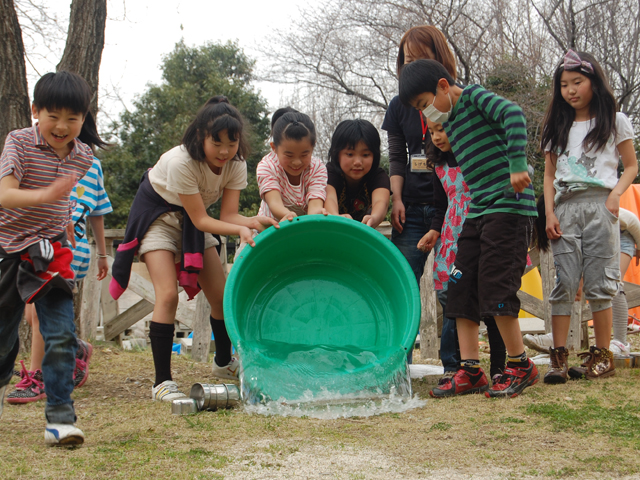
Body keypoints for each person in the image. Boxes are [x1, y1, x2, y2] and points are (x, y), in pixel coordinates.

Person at [109, 96, 278, 402]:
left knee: (221, 295)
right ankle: (162, 382)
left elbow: (227, 216)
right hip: (157, 218)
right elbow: (202, 219)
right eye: (217, 143)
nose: (225, 151)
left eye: (233, 142)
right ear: (201, 136)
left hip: (191, 222)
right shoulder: (181, 162)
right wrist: (240, 229)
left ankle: (223, 363)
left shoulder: (236, 164)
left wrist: (252, 221)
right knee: (168, 294)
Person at [399, 59, 539, 398]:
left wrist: (517, 164)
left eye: (425, 105)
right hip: (479, 209)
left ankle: (520, 364)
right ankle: (471, 370)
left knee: (495, 282)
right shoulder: (449, 123)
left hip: (508, 204)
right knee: (459, 283)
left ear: (444, 87)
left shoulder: (475, 98)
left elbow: (514, 115)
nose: (427, 115)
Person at [0, 71, 107, 445]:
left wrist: (64, 225)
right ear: (35, 110)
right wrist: (46, 195)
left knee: (60, 334)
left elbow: (67, 202)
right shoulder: (17, 142)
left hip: (51, 253)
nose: (62, 127)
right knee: (2, 337)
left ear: (84, 117)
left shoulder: (83, 156)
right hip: (8, 247)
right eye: (53, 116)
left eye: (73, 118)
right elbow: (6, 195)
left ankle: (60, 420)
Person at [541, 50, 637, 384]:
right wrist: (549, 212)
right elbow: (549, 175)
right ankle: (558, 359)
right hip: (566, 208)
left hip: (601, 206)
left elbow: (631, 166)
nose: (570, 90)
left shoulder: (615, 120)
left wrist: (615, 194)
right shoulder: (556, 125)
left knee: (600, 283)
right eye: (564, 84)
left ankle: (602, 356)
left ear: (593, 81)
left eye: (577, 82)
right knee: (564, 282)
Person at [6, 156, 111, 404]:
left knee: (41, 310)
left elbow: (98, 211)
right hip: (38, 245)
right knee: (34, 314)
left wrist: (103, 254)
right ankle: (74, 349)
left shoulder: (92, 164)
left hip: (68, 248)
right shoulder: (34, 157)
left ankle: (38, 377)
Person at [381, 25, 457, 363]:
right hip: (411, 207)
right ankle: (398, 364)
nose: (412, 65)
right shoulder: (399, 105)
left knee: (452, 287)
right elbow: (396, 156)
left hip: (454, 208)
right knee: (402, 282)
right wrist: (396, 199)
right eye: (407, 59)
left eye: (421, 58)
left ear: (439, 58)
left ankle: (456, 364)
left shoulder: (456, 96)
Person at [422, 120, 507, 385]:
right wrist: (434, 232)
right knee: (452, 298)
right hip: (452, 236)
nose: (437, 137)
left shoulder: (478, 157)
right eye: (432, 132)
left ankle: (499, 367)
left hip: (483, 228)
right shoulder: (439, 167)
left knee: (492, 299)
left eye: (442, 130)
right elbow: (441, 206)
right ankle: (454, 364)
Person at [256, 111, 327, 222]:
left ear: (313, 146)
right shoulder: (267, 166)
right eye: (289, 155)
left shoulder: (317, 168)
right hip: (270, 228)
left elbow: (315, 204)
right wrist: (289, 216)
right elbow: (274, 203)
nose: (297, 162)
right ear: (274, 148)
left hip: (303, 230)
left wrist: (316, 214)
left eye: (304, 155)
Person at [325, 119, 390, 228]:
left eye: (365, 155)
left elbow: (381, 202)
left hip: (363, 232)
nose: (357, 162)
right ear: (337, 154)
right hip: (332, 230)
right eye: (350, 154)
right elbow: (329, 198)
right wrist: (336, 217)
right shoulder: (328, 173)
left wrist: (374, 217)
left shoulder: (378, 176)